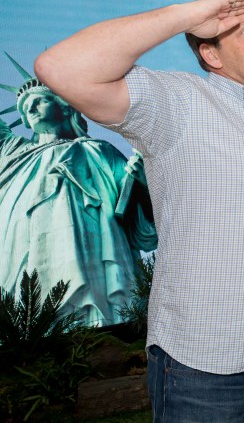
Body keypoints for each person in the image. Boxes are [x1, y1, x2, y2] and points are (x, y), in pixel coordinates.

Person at [34, 0, 244, 423]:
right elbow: (61, 66)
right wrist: (192, 14)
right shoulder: (180, 102)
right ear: (210, 51)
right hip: (203, 368)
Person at [1, 68, 157, 327]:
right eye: (26, 106)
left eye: (40, 100)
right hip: (25, 248)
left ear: (64, 107)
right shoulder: (13, 158)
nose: (32, 108)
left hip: (92, 252)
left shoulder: (99, 151)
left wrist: (141, 183)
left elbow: (139, 225)